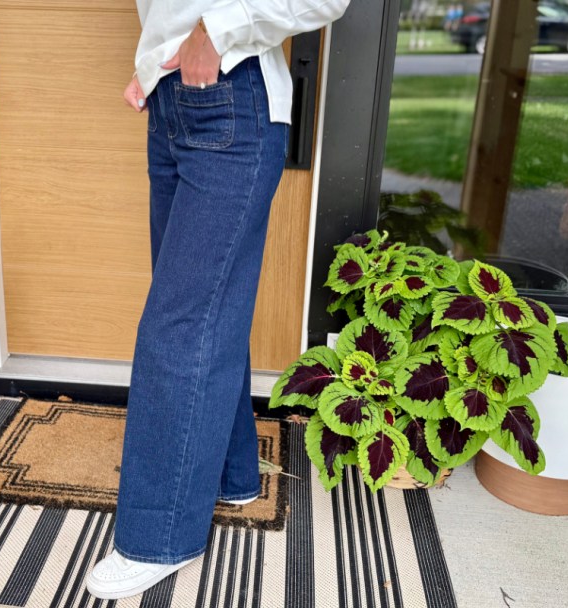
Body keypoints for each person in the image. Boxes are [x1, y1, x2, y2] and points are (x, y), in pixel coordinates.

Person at [85, 0, 351, 600]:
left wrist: (216, 32)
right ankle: (233, 475)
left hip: (233, 100)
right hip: (175, 101)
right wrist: (155, 64)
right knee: (206, 310)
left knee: (177, 327)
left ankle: (158, 538)